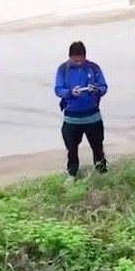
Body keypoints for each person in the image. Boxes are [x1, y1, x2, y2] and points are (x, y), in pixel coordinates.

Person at [54, 41, 109, 178]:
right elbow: (58, 89)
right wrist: (70, 93)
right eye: (75, 60)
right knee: (71, 149)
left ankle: (102, 171)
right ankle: (72, 173)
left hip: (93, 117)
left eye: (81, 60)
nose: (79, 63)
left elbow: (103, 86)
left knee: (97, 147)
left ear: (85, 56)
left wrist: (96, 90)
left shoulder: (93, 68)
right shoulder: (63, 70)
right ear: (70, 57)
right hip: (72, 118)